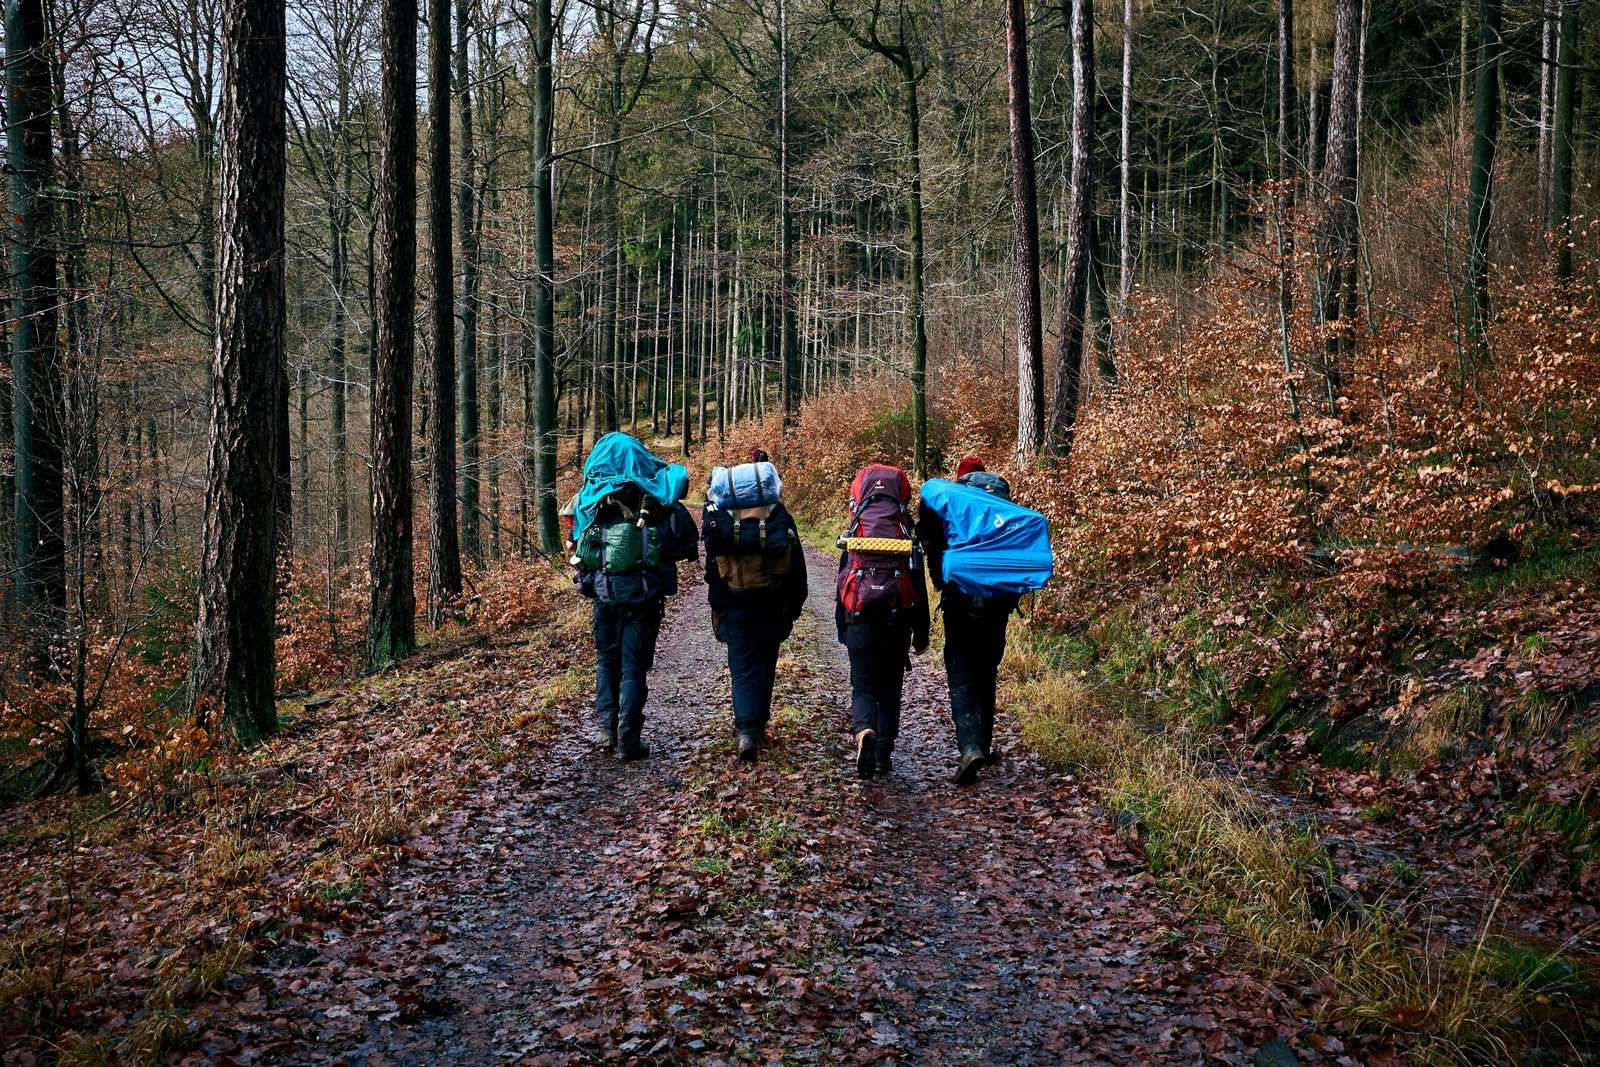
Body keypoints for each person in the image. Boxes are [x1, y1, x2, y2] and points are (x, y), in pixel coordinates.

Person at [568, 433, 699, 761]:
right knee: (634, 668)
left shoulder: (592, 499)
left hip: (605, 595)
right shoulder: (655, 493)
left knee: (607, 660)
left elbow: (577, 548)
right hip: (644, 597)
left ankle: (606, 728)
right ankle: (629, 736)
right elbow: (679, 544)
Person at [916, 456, 1022, 784]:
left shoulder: (954, 504)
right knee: (986, 672)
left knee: (962, 671)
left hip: (960, 601)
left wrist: (940, 582)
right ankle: (983, 747)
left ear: (961, 480)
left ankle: (970, 747)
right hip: (998, 604)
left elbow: (930, 540)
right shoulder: (1000, 506)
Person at [703, 448, 809, 763]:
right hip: (772, 604)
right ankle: (758, 724)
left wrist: (719, 605)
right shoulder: (778, 515)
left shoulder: (723, 518)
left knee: (742, 667)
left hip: (735, 606)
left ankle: (747, 730)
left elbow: (712, 570)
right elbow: (797, 567)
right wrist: (793, 607)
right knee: (766, 663)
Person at [835, 464, 929, 779]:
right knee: (890, 687)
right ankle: (883, 755)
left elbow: (842, 580)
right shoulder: (906, 535)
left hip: (859, 616)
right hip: (897, 617)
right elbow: (918, 586)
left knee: (862, 684)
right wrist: (921, 632)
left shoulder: (855, 533)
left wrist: (842, 626)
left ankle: (864, 731)